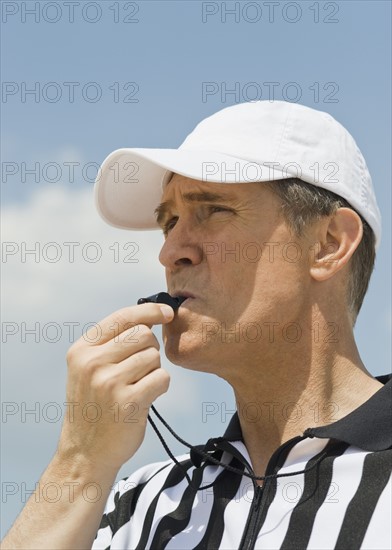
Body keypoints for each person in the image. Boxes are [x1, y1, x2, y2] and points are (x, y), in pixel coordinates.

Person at [2, 101, 391, 550]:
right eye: (169, 222)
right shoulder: (142, 505)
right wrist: (80, 462)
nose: (170, 253)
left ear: (327, 244)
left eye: (213, 210)